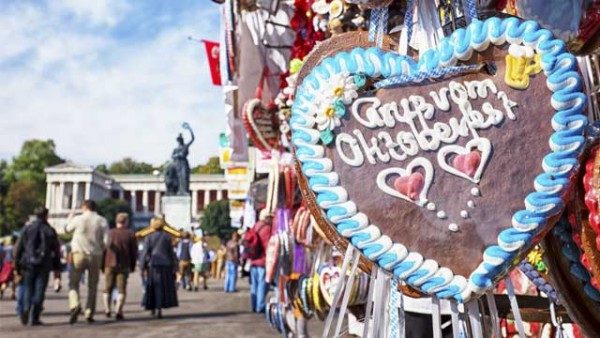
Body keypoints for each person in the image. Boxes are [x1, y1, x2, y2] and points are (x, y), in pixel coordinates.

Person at [64, 200, 109, 324]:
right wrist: (99, 248)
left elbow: (67, 230)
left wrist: (69, 218)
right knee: (92, 285)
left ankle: (75, 304)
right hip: (95, 254)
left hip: (78, 253)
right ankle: (89, 312)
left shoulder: (79, 219)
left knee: (73, 283)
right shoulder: (102, 220)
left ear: (84, 207)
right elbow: (107, 242)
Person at [14, 207, 61, 326]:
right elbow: (56, 250)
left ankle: (25, 310)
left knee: (28, 289)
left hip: (28, 263)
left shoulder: (27, 228)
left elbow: (19, 248)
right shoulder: (49, 230)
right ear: (46, 216)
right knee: (39, 291)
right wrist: (57, 268)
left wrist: (16, 265)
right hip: (44, 264)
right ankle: (34, 316)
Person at [139, 217, 178, 318]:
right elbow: (171, 253)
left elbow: (145, 252)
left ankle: (152, 306)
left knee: (152, 286)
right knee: (162, 287)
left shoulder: (149, 237)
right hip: (165, 265)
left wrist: (142, 266)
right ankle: (160, 307)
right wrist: (174, 266)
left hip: (153, 265)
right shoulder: (167, 237)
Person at [102, 213, 137, 320]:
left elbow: (104, 248)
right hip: (124, 264)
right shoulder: (130, 234)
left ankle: (107, 309)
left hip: (109, 262)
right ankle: (118, 310)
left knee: (107, 288)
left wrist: (102, 265)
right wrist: (133, 265)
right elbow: (134, 252)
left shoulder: (110, 233)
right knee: (122, 289)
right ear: (126, 221)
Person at [250, 209, 273, 313]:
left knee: (254, 285)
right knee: (262, 284)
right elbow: (268, 246)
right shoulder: (267, 228)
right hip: (262, 260)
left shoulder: (255, 226)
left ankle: (254, 305)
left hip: (253, 259)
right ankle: (260, 305)